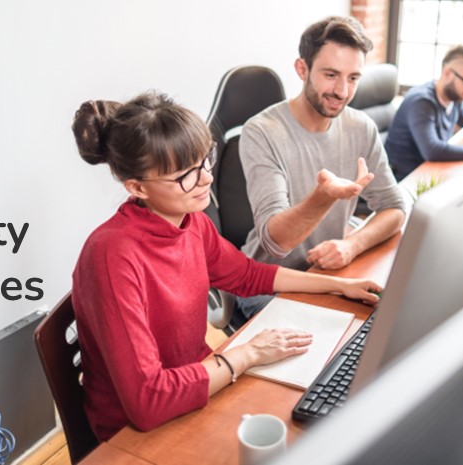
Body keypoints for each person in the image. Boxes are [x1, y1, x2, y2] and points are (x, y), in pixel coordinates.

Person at [70, 92, 383, 441]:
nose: (205, 179)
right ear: (137, 187)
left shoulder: (191, 222)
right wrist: (248, 354)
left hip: (198, 384)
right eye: (185, 175)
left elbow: (247, 275)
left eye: (206, 161)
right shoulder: (112, 256)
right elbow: (148, 401)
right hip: (135, 432)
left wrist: (339, 286)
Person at [238, 16, 406, 318]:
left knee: (386, 326)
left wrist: (352, 245)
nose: (342, 91)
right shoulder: (262, 132)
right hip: (269, 284)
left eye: (353, 77)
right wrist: (325, 196)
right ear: (302, 69)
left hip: (329, 274)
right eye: (331, 75)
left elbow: (394, 207)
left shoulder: (360, 127)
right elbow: (277, 243)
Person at [385, 45, 463, 181]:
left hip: (430, 171)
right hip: (405, 179)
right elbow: (433, 151)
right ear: (447, 73)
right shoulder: (421, 102)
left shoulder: (453, 98)